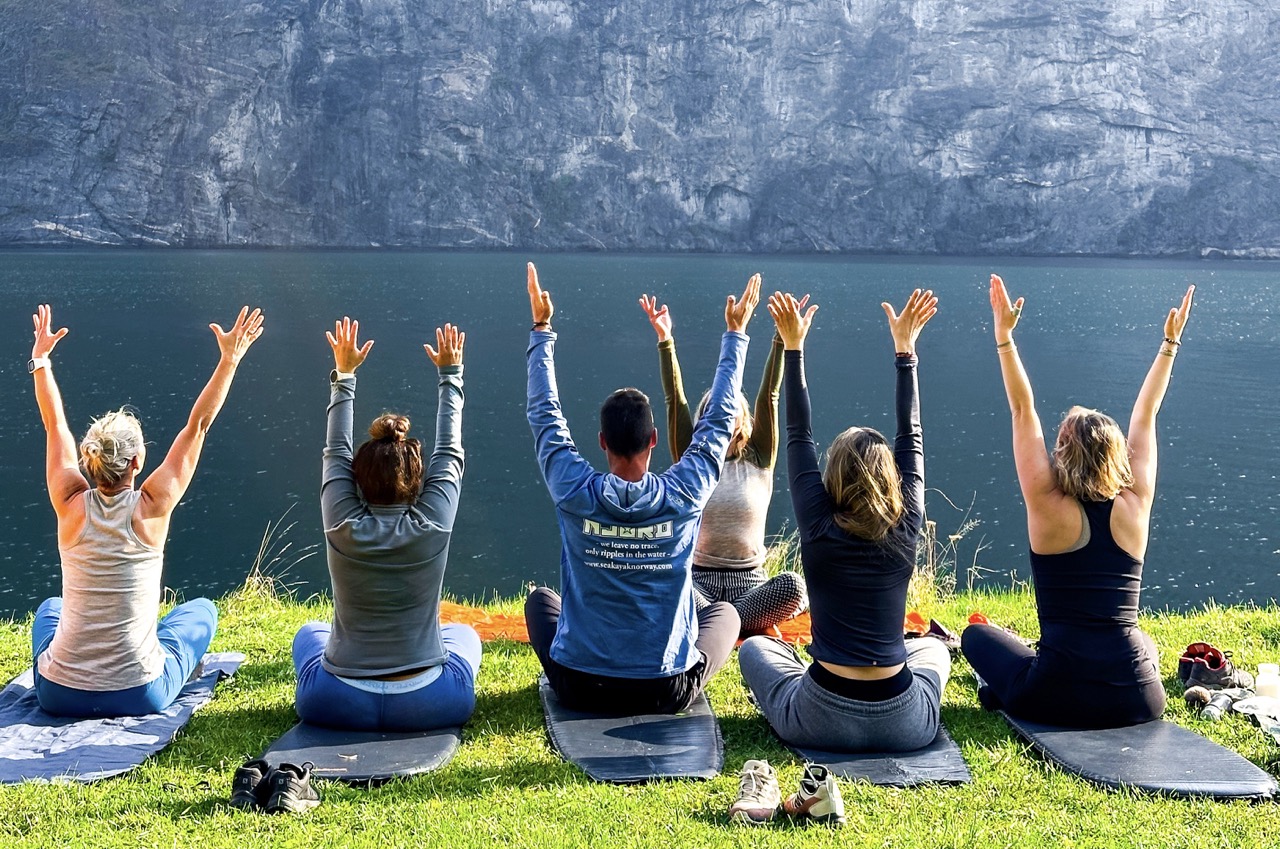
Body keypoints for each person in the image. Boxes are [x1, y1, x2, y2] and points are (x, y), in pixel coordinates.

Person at [961, 275, 1193, 728]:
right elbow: (1146, 414)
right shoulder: (1136, 502)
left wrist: (1004, 336)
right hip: (1141, 699)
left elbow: (1022, 410)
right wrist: (1170, 342)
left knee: (976, 637)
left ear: (1062, 452)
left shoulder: (1045, 502)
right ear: (1116, 454)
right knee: (1139, 640)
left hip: (1054, 695)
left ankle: (1005, 690)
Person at [524, 262, 754, 715]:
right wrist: (735, 335)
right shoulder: (684, 493)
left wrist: (541, 329)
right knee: (726, 615)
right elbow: (720, 420)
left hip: (581, 686)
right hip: (664, 690)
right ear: (653, 441)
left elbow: (544, 415)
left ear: (602, 443)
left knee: (540, 602)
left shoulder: (574, 491)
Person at [737, 289, 951, 753]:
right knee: (932, 649)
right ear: (892, 478)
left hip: (819, 715)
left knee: (755, 649)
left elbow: (797, 432)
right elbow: (910, 436)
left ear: (832, 475)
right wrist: (905, 353)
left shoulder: (818, 523)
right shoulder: (907, 519)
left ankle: (799, 682)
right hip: (906, 724)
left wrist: (793, 347)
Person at [29, 304, 264, 718]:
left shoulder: (69, 503)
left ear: (89, 460)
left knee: (50, 608)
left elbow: (55, 426)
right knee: (203, 611)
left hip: (58, 694)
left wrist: (41, 359)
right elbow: (198, 426)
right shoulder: (152, 508)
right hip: (139, 693)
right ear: (138, 463)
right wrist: (231, 358)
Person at [291, 317, 480, 731]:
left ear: (355, 478)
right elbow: (450, 451)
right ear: (419, 481)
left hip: (334, 700)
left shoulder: (341, 520)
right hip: (430, 701)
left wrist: (345, 375)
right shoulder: (433, 523)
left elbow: (335, 450)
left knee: (309, 632)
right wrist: (451, 374)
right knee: (465, 635)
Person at [639, 294, 807, 635]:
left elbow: (770, 395)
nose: (723, 413)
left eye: (729, 408)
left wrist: (782, 337)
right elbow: (675, 397)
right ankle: (731, 624)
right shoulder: (692, 458)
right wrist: (665, 339)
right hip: (699, 584)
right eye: (714, 409)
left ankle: (719, 625)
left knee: (794, 585)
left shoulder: (759, 455)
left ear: (743, 417)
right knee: (665, 577)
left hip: (752, 586)